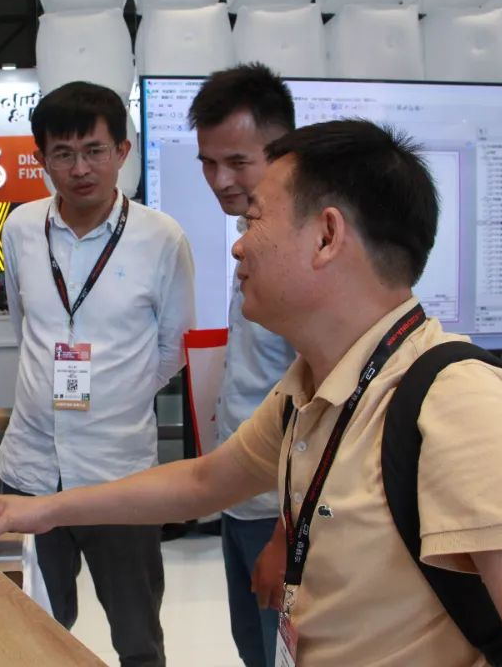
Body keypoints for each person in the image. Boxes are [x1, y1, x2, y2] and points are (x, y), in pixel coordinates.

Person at [0, 120, 502, 666]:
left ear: (326, 236)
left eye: (254, 218)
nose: (239, 247)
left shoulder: (460, 407)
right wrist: (45, 510)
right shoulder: (310, 389)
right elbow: (203, 482)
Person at [0, 81, 195, 667]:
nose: (80, 169)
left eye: (94, 150)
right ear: (42, 158)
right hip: (31, 468)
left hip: (119, 475)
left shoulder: (161, 237)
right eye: (63, 153)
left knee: (137, 637)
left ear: (123, 152)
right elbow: (25, 328)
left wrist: (118, 394)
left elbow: (174, 347)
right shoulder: (20, 228)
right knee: (33, 632)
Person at [189, 63, 297, 667]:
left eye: (237, 161)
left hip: (280, 514)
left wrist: (286, 535)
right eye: (208, 162)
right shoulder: (249, 232)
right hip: (243, 498)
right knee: (253, 651)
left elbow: (326, 405)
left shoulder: (298, 250)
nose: (220, 179)